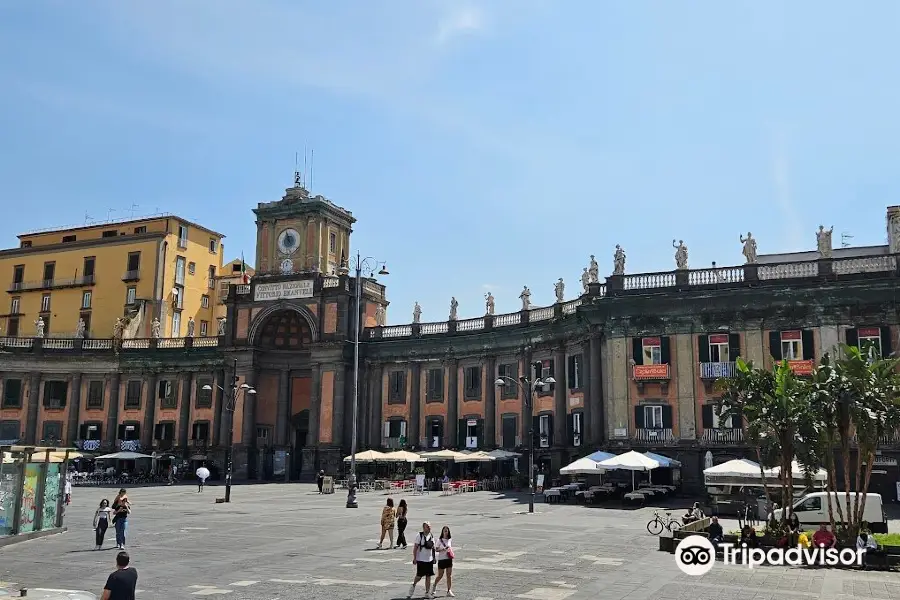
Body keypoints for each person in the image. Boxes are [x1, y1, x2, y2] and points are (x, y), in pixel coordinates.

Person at [408, 521, 435, 599]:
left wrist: (433, 558)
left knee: (428, 576)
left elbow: (433, 548)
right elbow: (415, 547)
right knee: (419, 576)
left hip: (429, 559)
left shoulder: (431, 536)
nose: (429, 528)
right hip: (421, 559)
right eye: (427, 526)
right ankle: (413, 584)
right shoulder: (419, 536)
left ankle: (427, 593)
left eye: (430, 526)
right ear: (424, 528)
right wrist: (415, 558)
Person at [432, 525, 454, 597]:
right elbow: (436, 549)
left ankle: (449, 590)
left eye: (447, 531)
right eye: (444, 531)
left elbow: (450, 548)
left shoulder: (449, 539)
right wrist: (443, 549)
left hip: (449, 559)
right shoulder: (439, 540)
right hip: (442, 559)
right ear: (442, 532)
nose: (445, 532)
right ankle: (434, 586)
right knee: (440, 575)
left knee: (449, 575)